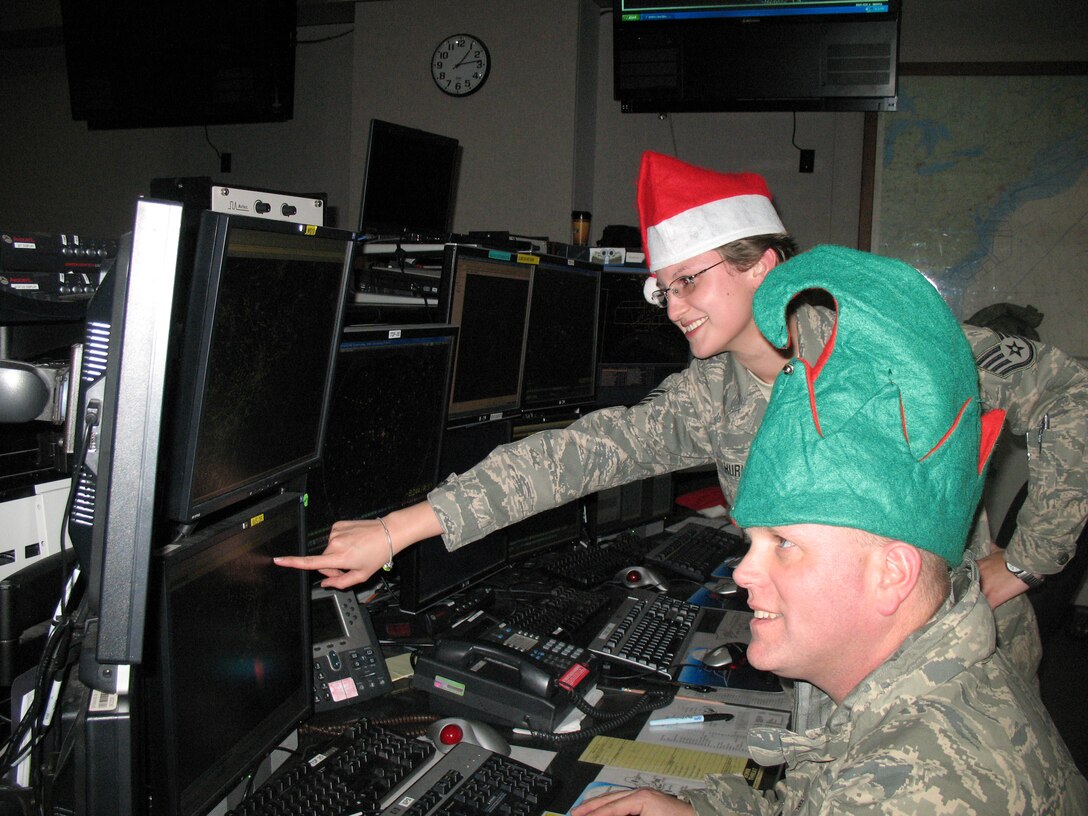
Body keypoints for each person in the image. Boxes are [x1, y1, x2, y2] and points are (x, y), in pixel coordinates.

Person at [275, 151, 1088, 680]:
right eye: (662, 288)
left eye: (690, 281)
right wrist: (396, 530)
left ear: (764, 268)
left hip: (948, 662)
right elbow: (578, 454)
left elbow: (1073, 396)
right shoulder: (713, 396)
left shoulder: (883, 340)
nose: (671, 307)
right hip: (834, 665)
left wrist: (1025, 564)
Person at [570, 244, 1088, 815]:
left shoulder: (918, 789)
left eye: (783, 544)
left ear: (892, 571)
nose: (741, 572)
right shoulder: (888, 702)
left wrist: (1027, 560)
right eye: (755, 541)